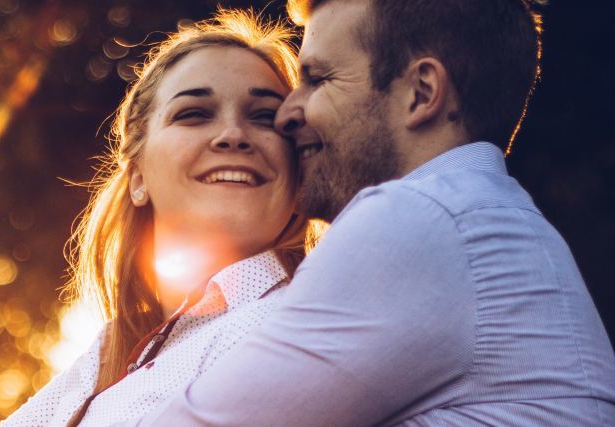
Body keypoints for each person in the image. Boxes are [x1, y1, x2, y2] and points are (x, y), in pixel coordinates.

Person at [126, 0, 615, 425]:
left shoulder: (419, 218)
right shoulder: (486, 220)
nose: (288, 113)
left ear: (421, 93)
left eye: (318, 79)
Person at [0, 10, 311, 426]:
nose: (234, 135)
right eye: (194, 114)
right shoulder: (106, 353)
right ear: (138, 177)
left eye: (266, 117)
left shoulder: (300, 324)